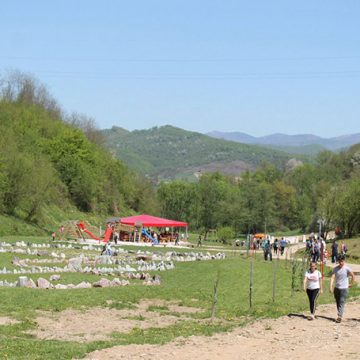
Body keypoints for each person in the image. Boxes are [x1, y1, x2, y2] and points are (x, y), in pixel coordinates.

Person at [330, 254, 355, 323]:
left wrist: (351, 284)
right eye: (339, 261)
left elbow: (353, 275)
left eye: (342, 261)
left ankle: (339, 316)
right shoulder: (335, 269)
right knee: (338, 302)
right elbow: (332, 277)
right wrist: (331, 286)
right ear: (338, 261)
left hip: (344, 288)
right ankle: (339, 314)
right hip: (337, 288)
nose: (341, 263)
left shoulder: (347, 268)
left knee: (342, 301)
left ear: (344, 261)